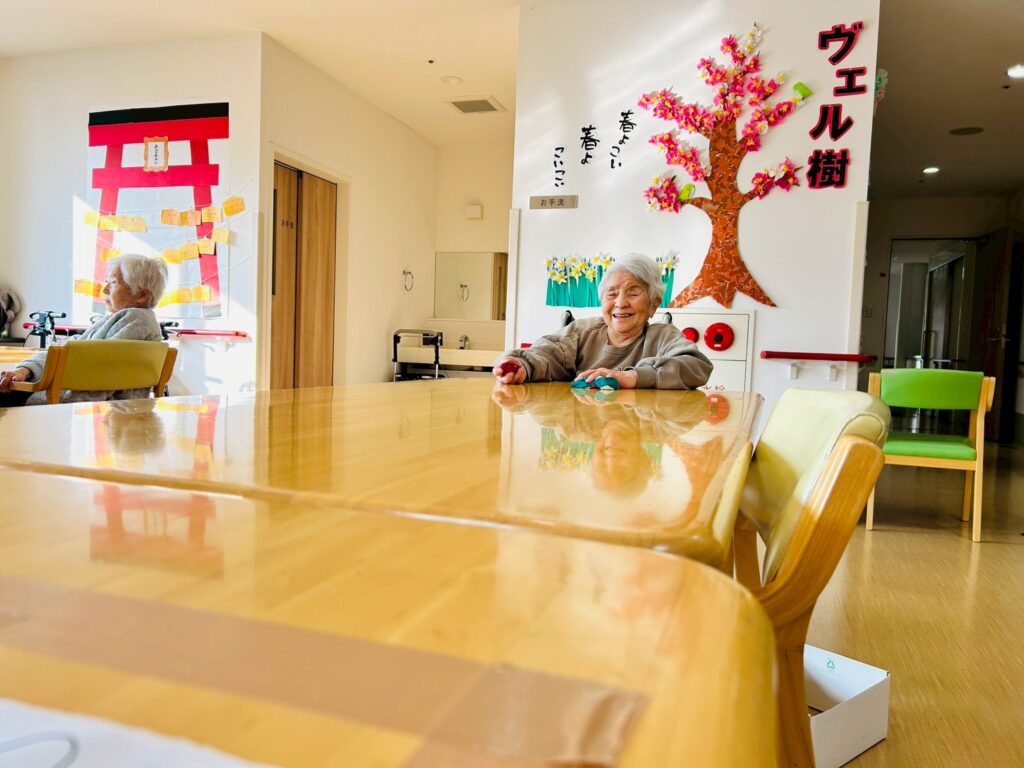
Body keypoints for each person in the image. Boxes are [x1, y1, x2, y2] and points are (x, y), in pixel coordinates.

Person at [493, 253, 712, 389]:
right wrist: (523, 366)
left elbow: (696, 366)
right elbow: (545, 354)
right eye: (612, 294)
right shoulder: (581, 332)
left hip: (640, 429)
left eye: (633, 293)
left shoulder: (663, 336)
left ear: (654, 304)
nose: (621, 303)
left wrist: (631, 377)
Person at [0, 253, 167, 406]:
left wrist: (28, 371)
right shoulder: (126, 320)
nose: (105, 289)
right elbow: (66, 351)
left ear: (141, 295)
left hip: (76, 402)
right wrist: (25, 369)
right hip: (75, 400)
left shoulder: (137, 319)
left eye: (113, 282)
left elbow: (82, 359)